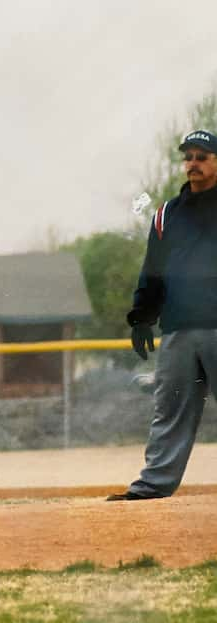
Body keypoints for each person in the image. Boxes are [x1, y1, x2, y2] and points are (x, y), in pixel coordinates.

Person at [107, 129, 217, 501]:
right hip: (179, 331)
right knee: (168, 410)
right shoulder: (166, 214)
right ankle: (153, 486)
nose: (193, 164)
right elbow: (153, 270)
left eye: (202, 157)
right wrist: (141, 316)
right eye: (189, 157)